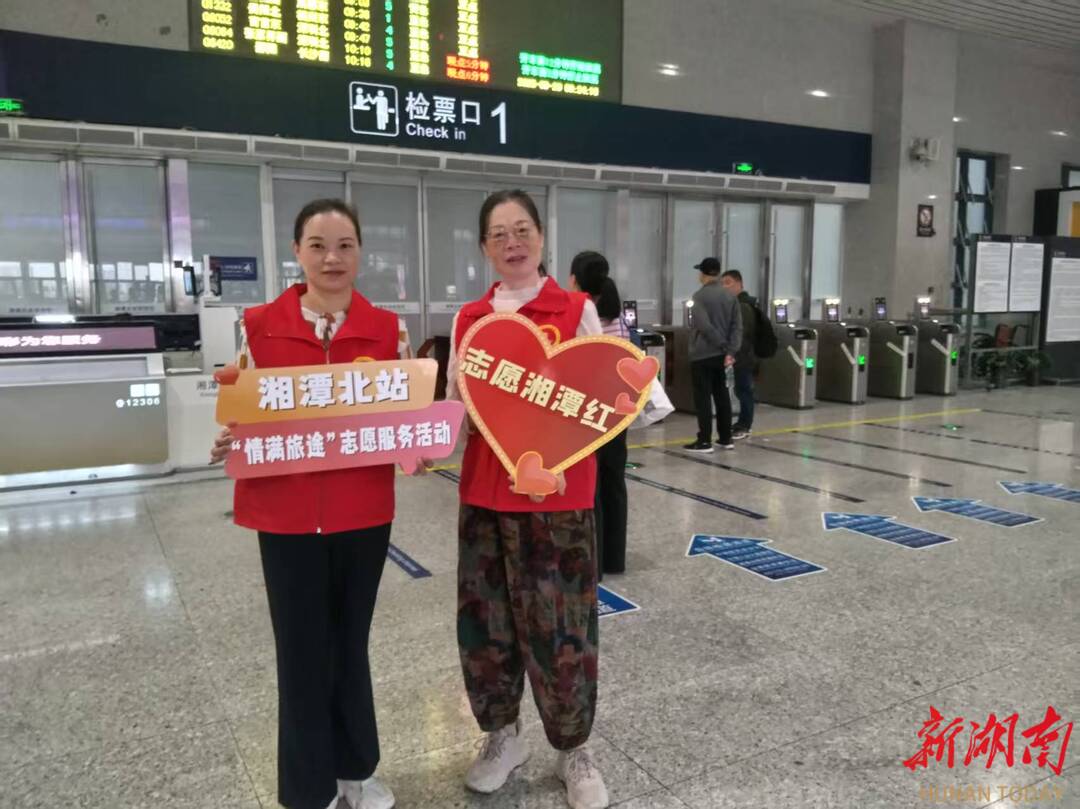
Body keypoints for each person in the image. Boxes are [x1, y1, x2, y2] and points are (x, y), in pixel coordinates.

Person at [210, 199, 417, 809]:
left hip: (363, 512)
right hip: (286, 515)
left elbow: (403, 414)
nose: (332, 258)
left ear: (360, 253)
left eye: (345, 245)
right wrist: (230, 436)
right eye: (318, 245)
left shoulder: (388, 330)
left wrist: (419, 441)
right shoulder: (258, 326)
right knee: (301, 649)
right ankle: (309, 790)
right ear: (297, 251)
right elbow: (244, 409)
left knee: (351, 643)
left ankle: (356, 769)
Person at [445, 190, 610, 809]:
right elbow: (456, 408)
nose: (512, 243)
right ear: (484, 247)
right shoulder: (470, 318)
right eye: (498, 234)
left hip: (559, 499)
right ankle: (502, 737)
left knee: (563, 627)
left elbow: (602, 399)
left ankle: (574, 748)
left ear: (541, 236)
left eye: (522, 230)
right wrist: (417, 438)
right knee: (486, 625)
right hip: (486, 495)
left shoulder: (575, 310)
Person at [568, 250, 629, 580]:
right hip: (619, 409)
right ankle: (614, 559)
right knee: (614, 481)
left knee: (591, 483)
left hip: (591, 411)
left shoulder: (579, 313)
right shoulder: (617, 317)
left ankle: (595, 561)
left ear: (574, 279)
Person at [682, 257, 742, 453]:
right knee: (722, 395)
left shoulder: (699, 296)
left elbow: (704, 326)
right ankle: (725, 438)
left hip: (702, 354)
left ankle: (704, 440)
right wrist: (730, 350)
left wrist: (721, 344)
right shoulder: (730, 296)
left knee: (703, 398)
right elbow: (737, 327)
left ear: (703, 274)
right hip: (722, 356)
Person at [721, 269, 758, 439]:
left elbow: (742, 334)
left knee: (744, 390)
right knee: (741, 390)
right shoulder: (736, 304)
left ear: (739, 284)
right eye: (722, 283)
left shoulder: (743, 307)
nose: (725, 286)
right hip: (740, 356)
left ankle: (745, 425)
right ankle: (742, 423)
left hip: (743, 357)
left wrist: (732, 353)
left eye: (728, 282)